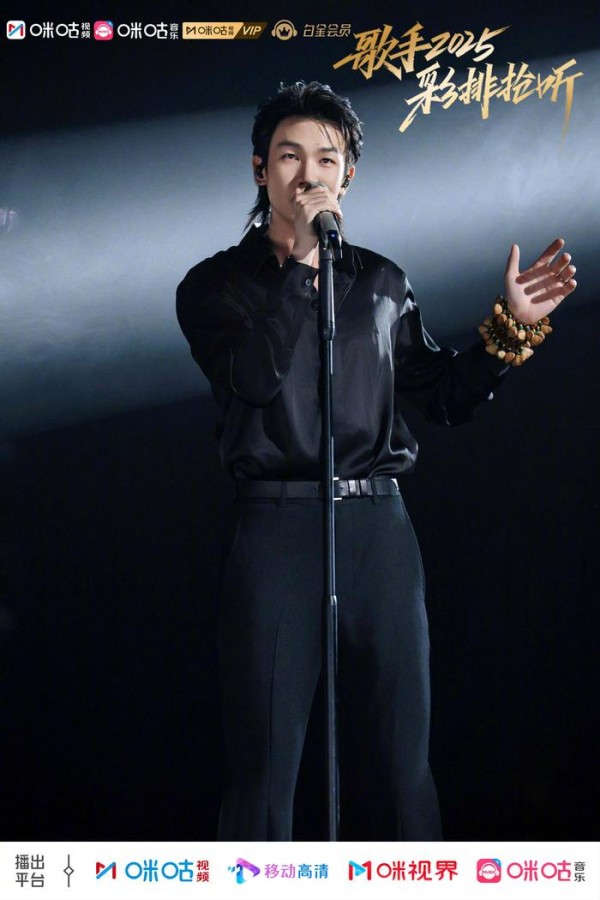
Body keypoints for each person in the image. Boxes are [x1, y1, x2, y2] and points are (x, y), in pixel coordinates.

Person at [176, 81, 576, 840]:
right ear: (260, 169)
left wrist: (508, 335)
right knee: (265, 772)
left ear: (349, 175)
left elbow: (442, 396)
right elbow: (254, 378)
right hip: (276, 530)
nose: (310, 175)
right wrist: (303, 265)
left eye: (327, 159)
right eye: (290, 157)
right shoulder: (214, 286)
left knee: (401, 767)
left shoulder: (383, 282)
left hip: (378, 531)